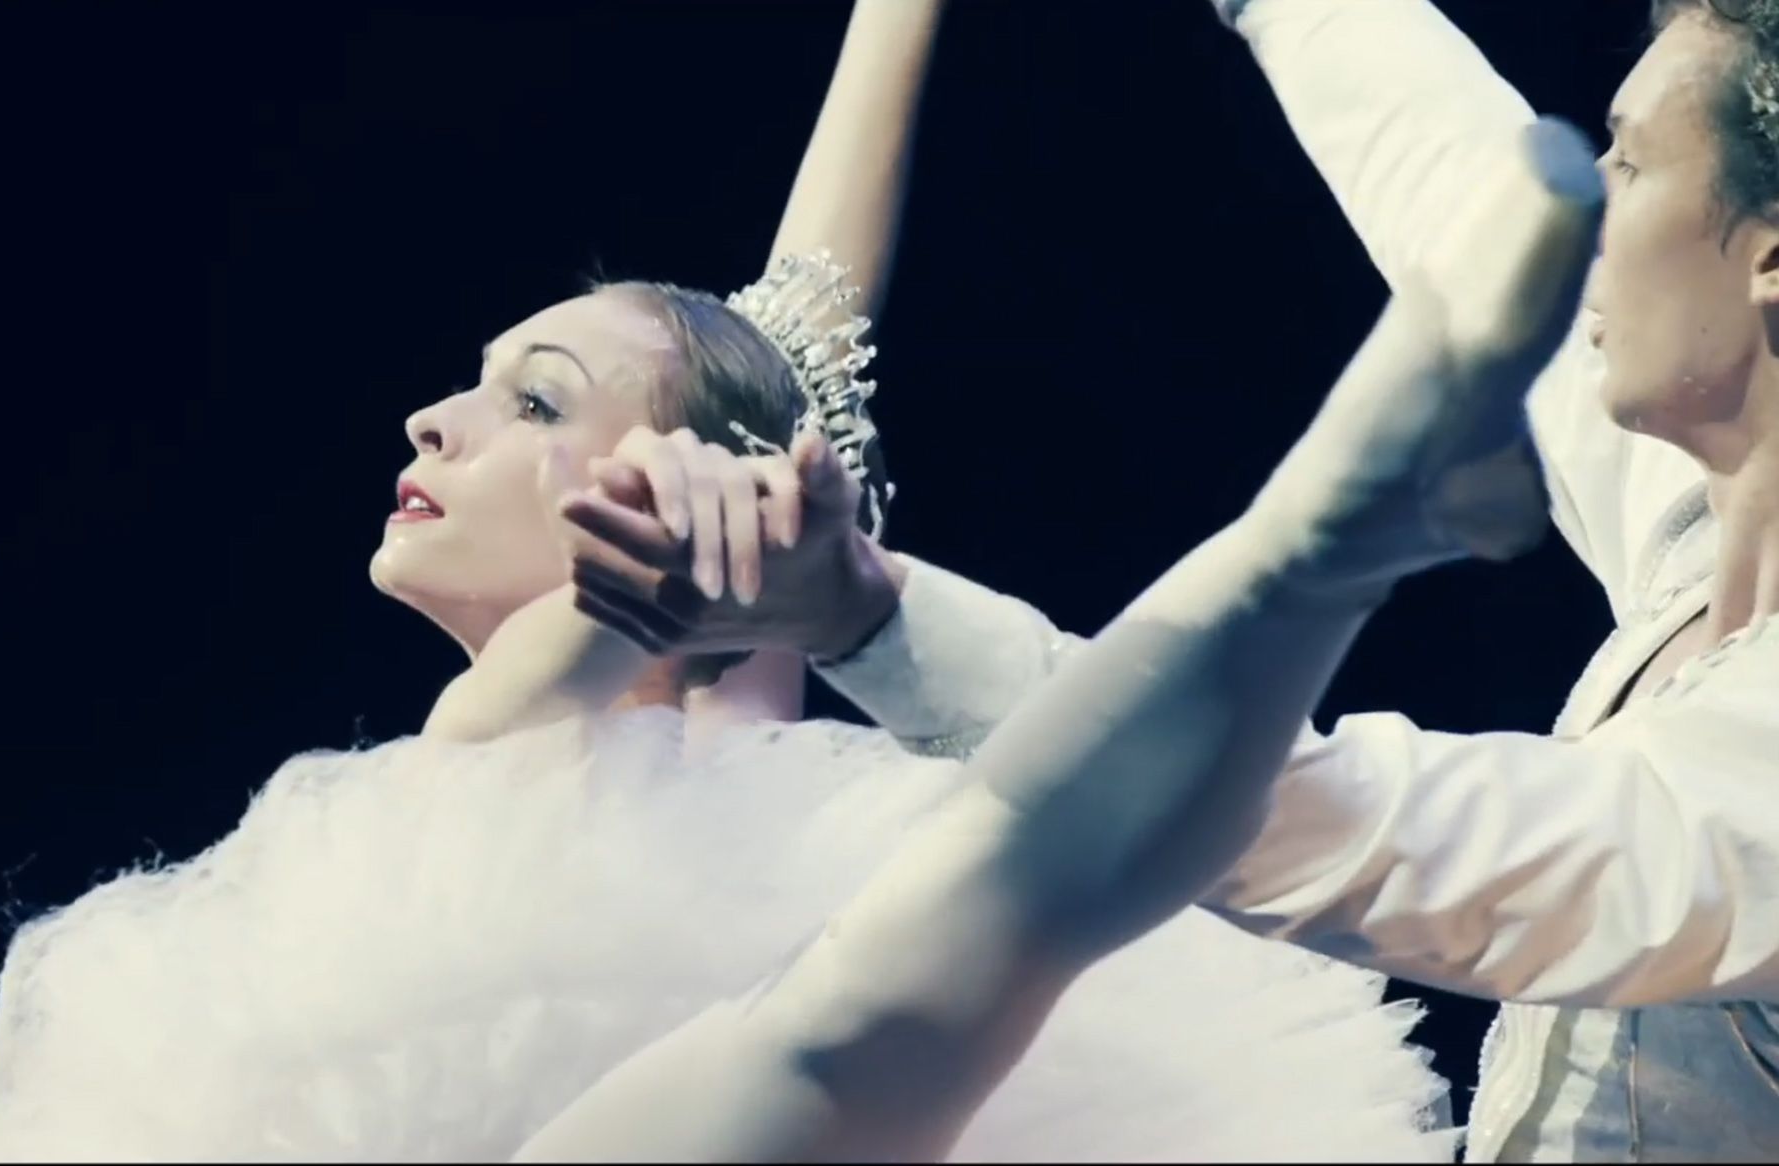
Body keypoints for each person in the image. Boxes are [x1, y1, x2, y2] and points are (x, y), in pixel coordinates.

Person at [0, 2, 1452, 1161]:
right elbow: (800, 349)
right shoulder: (510, 757)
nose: (431, 417)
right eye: (478, 384)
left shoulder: (669, 711)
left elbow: (795, 359)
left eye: (533, 402)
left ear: (677, 481)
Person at [561, 2, 1779, 1161]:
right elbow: (1454, 179)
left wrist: (868, 616)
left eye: (1623, 164)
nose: (1587, 222)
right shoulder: (1692, 548)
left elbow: (1352, 825)